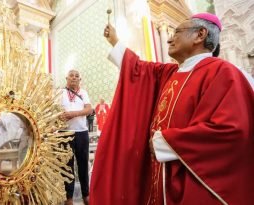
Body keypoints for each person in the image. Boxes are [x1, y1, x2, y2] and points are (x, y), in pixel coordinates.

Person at [90, 13, 254, 205]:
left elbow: (232, 131)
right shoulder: (171, 73)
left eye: (177, 32)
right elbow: (138, 70)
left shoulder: (223, 73)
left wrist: (168, 142)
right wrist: (115, 42)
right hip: (163, 176)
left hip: (195, 183)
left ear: (200, 35)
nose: (169, 38)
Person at [60, 70, 93, 205]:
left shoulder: (83, 93)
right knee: (66, 167)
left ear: (80, 80)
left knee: (83, 164)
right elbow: (54, 110)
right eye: (71, 75)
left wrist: (73, 114)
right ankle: (69, 198)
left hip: (81, 132)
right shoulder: (60, 93)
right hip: (64, 133)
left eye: (77, 76)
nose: (74, 77)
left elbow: (89, 110)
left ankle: (86, 195)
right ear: (66, 78)